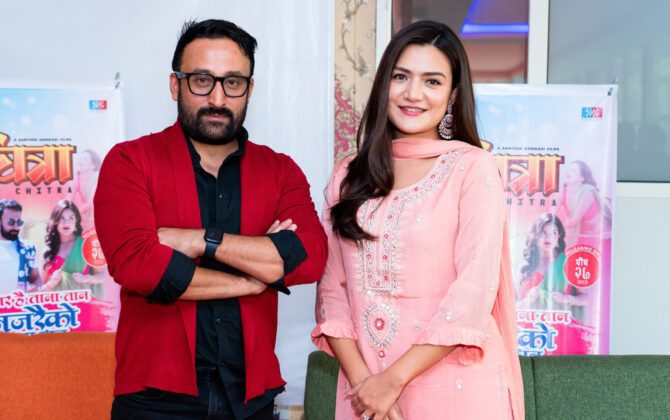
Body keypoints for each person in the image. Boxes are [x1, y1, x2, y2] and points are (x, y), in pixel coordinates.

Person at [94, 19, 327, 420]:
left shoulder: (280, 171)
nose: (217, 98)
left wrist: (201, 240)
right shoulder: (130, 162)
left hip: (250, 399)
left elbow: (309, 258)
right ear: (175, 85)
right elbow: (141, 267)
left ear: (249, 89)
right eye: (202, 80)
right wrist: (254, 278)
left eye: (233, 82)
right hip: (155, 400)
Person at [312, 21, 523, 420]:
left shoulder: (472, 168)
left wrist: (392, 381)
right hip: (365, 391)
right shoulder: (349, 174)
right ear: (384, 85)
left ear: (452, 95)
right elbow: (330, 291)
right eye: (401, 77)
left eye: (432, 81)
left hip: (456, 388)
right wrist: (367, 384)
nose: (413, 93)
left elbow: (473, 291)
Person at [517, 213, 591, 354]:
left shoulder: (568, 263)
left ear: (559, 237)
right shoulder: (526, 267)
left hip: (563, 335)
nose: (548, 238)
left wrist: (568, 299)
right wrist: (527, 301)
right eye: (543, 232)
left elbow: (587, 298)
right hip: (532, 337)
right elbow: (513, 307)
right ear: (535, 236)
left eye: (554, 233)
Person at [40, 199, 105, 298]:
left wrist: (87, 278)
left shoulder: (86, 245)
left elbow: (103, 276)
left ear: (76, 221)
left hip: (82, 303)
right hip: (57, 306)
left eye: (71, 218)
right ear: (55, 221)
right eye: (61, 218)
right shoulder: (47, 252)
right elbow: (40, 290)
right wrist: (51, 283)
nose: (66, 223)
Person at [0, 199, 40, 294]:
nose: (16, 227)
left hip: (19, 303)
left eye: (19, 222)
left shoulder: (28, 248)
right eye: (11, 222)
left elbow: (36, 278)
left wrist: (35, 287)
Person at [70, 149, 102, 232]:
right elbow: (67, 200)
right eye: (80, 158)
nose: (80, 161)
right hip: (86, 215)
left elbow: (91, 203)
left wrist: (73, 214)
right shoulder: (77, 178)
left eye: (84, 159)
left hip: (99, 214)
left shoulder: (97, 177)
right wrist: (60, 211)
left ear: (93, 166)